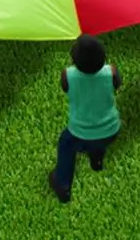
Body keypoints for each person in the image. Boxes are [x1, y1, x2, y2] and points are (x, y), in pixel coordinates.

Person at [49, 34, 121, 204]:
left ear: (74, 59)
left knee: (65, 145)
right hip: (110, 130)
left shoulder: (68, 75)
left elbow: (65, 88)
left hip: (79, 134)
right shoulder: (111, 72)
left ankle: (62, 184)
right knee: (98, 141)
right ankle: (96, 161)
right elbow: (117, 85)